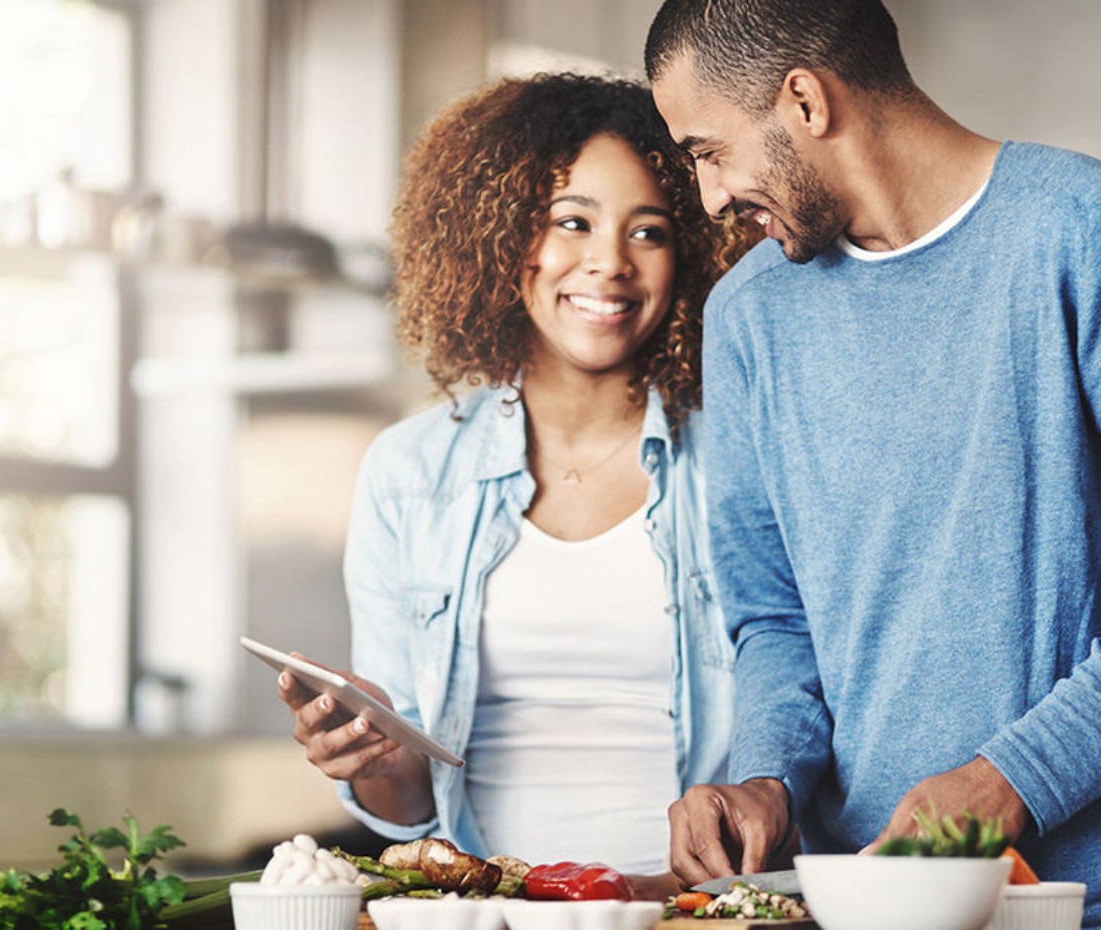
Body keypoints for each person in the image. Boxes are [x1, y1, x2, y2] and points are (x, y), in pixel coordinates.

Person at [643, 2, 1101, 928]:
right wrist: (766, 779)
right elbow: (774, 613)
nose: (708, 198)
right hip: (864, 898)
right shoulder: (747, 316)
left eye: (708, 151)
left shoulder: (1092, 231)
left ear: (804, 101)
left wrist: (1012, 780)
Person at [275, 72, 753, 894]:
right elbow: (409, 813)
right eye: (572, 222)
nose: (608, 263)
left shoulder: (743, 456)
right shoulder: (410, 473)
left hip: (693, 913)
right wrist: (370, 758)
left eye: (649, 232)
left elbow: (801, 722)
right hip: (488, 912)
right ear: (502, 240)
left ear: (689, 257)